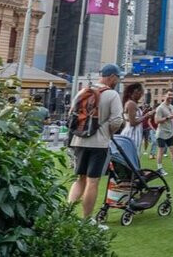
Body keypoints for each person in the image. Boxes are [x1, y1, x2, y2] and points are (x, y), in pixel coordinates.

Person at [67, 64, 124, 226]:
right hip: (99, 143)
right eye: (117, 78)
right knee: (93, 181)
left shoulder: (83, 92)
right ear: (111, 77)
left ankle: (66, 214)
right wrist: (108, 132)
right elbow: (117, 120)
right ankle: (87, 219)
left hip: (79, 141)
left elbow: (72, 114)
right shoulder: (112, 94)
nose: (117, 81)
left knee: (80, 179)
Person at [120, 83, 152, 151]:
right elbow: (133, 122)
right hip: (132, 134)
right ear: (135, 92)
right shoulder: (131, 104)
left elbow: (134, 117)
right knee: (132, 155)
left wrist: (143, 113)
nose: (141, 95)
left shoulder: (131, 103)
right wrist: (146, 116)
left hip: (134, 133)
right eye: (140, 93)